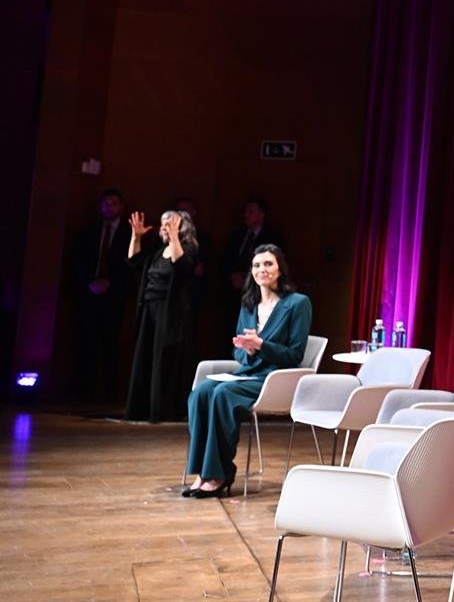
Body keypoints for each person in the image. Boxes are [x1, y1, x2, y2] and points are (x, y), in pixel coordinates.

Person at [184, 244, 310, 498]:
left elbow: (294, 356)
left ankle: (220, 473)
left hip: (275, 378)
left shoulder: (298, 303)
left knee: (222, 394)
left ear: (280, 269)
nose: (261, 269)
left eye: (268, 264)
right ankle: (202, 472)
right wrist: (249, 350)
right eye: (256, 265)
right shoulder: (249, 304)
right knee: (201, 392)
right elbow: (239, 353)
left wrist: (262, 345)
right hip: (249, 372)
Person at [125, 210, 199, 422]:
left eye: (170, 224)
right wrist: (136, 237)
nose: (164, 228)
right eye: (163, 224)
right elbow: (134, 261)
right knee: (145, 357)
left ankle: (163, 410)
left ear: (181, 227)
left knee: (164, 360)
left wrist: (175, 237)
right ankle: (141, 409)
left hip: (170, 314)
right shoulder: (158, 251)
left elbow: (182, 266)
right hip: (150, 310)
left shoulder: (187, 249)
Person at [71, 188, 133, 406]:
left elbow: (131, 265)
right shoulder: (89, 231)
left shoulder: (129, 233)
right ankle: (83, 393)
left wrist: (111, 283)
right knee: (86, 343)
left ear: (121, 207)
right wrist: (90, 282)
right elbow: (77, 261)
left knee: (111, 345)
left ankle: (109, 394)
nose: (109, 207)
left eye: (114, 203)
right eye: (105, 203)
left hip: (114, 297)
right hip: (89, 295)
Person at [220, 196, 284, 331]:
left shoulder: (272, 237)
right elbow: (227, 259)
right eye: (245, 211)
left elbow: (273, 263)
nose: (246, 215)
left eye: (251, 212)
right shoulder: (237, 235)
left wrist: (246, 278)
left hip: (258, 290)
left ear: (262, 214)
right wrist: (232, 276)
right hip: (234, 291)